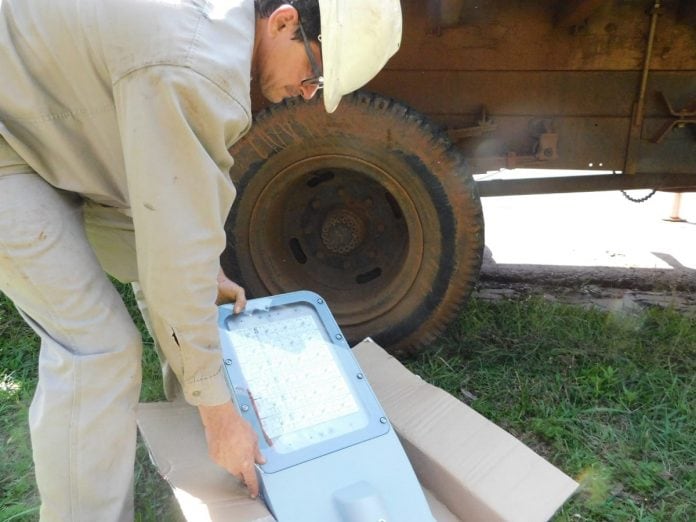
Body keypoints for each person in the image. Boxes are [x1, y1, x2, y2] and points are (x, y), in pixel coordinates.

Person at [0, 0, 402, 519]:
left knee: (189, 290)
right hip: (10, 139)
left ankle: (201, 452)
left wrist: (199, 273)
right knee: (98, 350)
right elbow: (172, 249)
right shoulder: (198, 63)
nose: (308, 94)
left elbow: (174, 216)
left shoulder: (215, 31)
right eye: (316, 75)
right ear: (284, 21)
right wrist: (216, 407)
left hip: (49, 115)